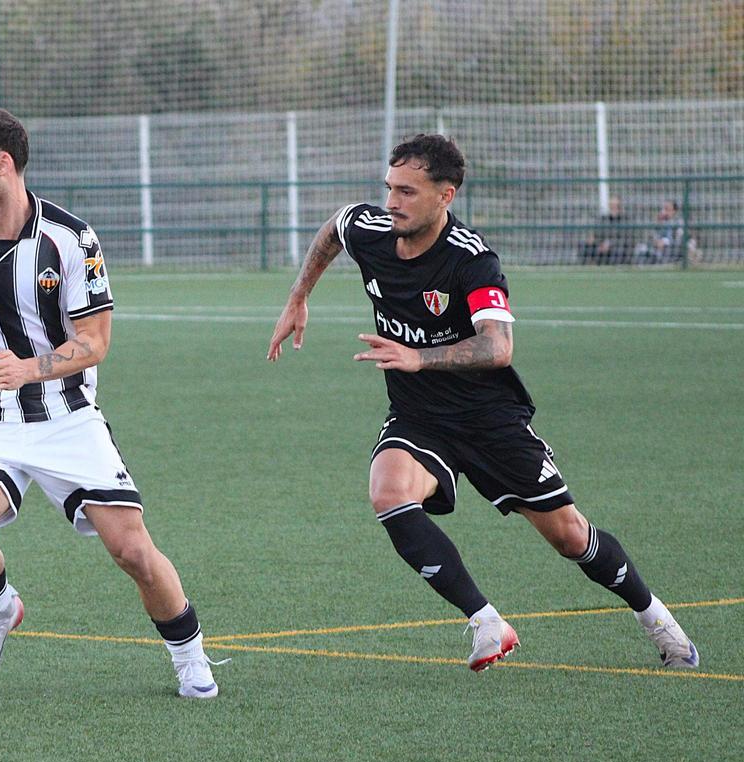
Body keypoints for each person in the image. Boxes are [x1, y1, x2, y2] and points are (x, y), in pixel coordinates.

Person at [268, 134, 698, 672]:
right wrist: (298, 295)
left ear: (445, 196)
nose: (392, 203)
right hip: (420, 415)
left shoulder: (471, 260)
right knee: (388, 493)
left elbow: (498, 346)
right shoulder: (371, 230)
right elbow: (334, 227)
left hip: (489, 418)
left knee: (568, 536)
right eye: (389, 189)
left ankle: (655, 617)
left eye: (407, 192)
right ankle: (486, 621)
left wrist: (418, 357)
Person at [0, 108, 220, 697]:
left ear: (3, 164)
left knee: (131, 550)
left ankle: (190, 655)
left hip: (68, 421)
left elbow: (95, 343)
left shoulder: (70, 239)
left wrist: (28, 368)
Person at [579, 194, 630, 265]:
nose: (613, 206)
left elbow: (624, 239)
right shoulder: (604, 218)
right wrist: (593, 238)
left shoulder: (624, 220)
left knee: (617, 251)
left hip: (616, 247)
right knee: (584, 245)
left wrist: (608, 245)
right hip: (601, 245)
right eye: (611, 205)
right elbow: (598, 233)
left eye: (615, 205)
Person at [636, 199, 690, 264]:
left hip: (672, 250)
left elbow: (678, 240)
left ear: (674, 211)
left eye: (667, 209)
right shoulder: (660, 222)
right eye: (663, 209)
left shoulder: (679, 222)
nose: (664, 211)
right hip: (657, 250)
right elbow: (652, 238)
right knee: (641, 248)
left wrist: (664, 242)